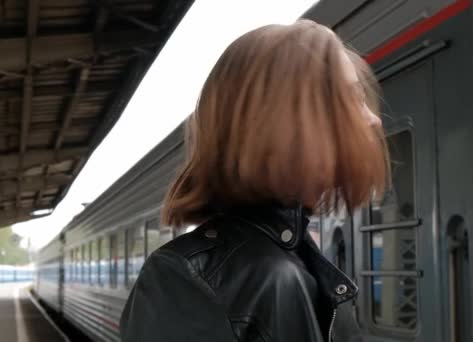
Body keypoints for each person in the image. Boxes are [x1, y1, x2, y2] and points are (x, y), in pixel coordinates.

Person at [119, 19, 388, 342]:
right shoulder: (189, 281)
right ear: (283, 120)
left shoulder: (296, 259)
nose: (372, 119)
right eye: (350, 99)